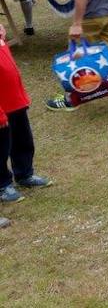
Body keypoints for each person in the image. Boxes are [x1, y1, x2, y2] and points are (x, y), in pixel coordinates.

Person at [0, 24, 51, 204]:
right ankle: (3, 185)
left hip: (14, 100)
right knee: (1, 146)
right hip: (1, 108)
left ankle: (24, 173)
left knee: (22, 138)